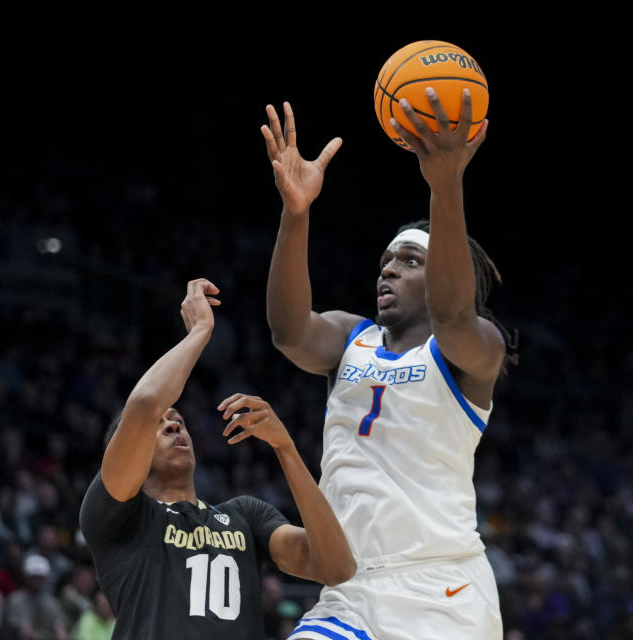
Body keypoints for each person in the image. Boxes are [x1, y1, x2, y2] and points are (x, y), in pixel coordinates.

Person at [262, 91, 514, 639]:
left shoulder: (475, 349)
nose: (388, 270)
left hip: (443, 592)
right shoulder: (351, 338)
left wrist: (445, 183)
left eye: (410, 261)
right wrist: (295, 213)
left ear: (447, 272)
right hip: (349, 588)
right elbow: (288, 331)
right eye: (386, 261)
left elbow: (451, 314)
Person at [79, 279, 356, 639]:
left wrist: (286, 449)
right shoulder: (119, 515)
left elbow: (335, 567)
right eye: (159, 425)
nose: (172, 425)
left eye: (177, 420)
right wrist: (200, 332)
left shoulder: (245, 515)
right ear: (125, 451)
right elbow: (145, 404)